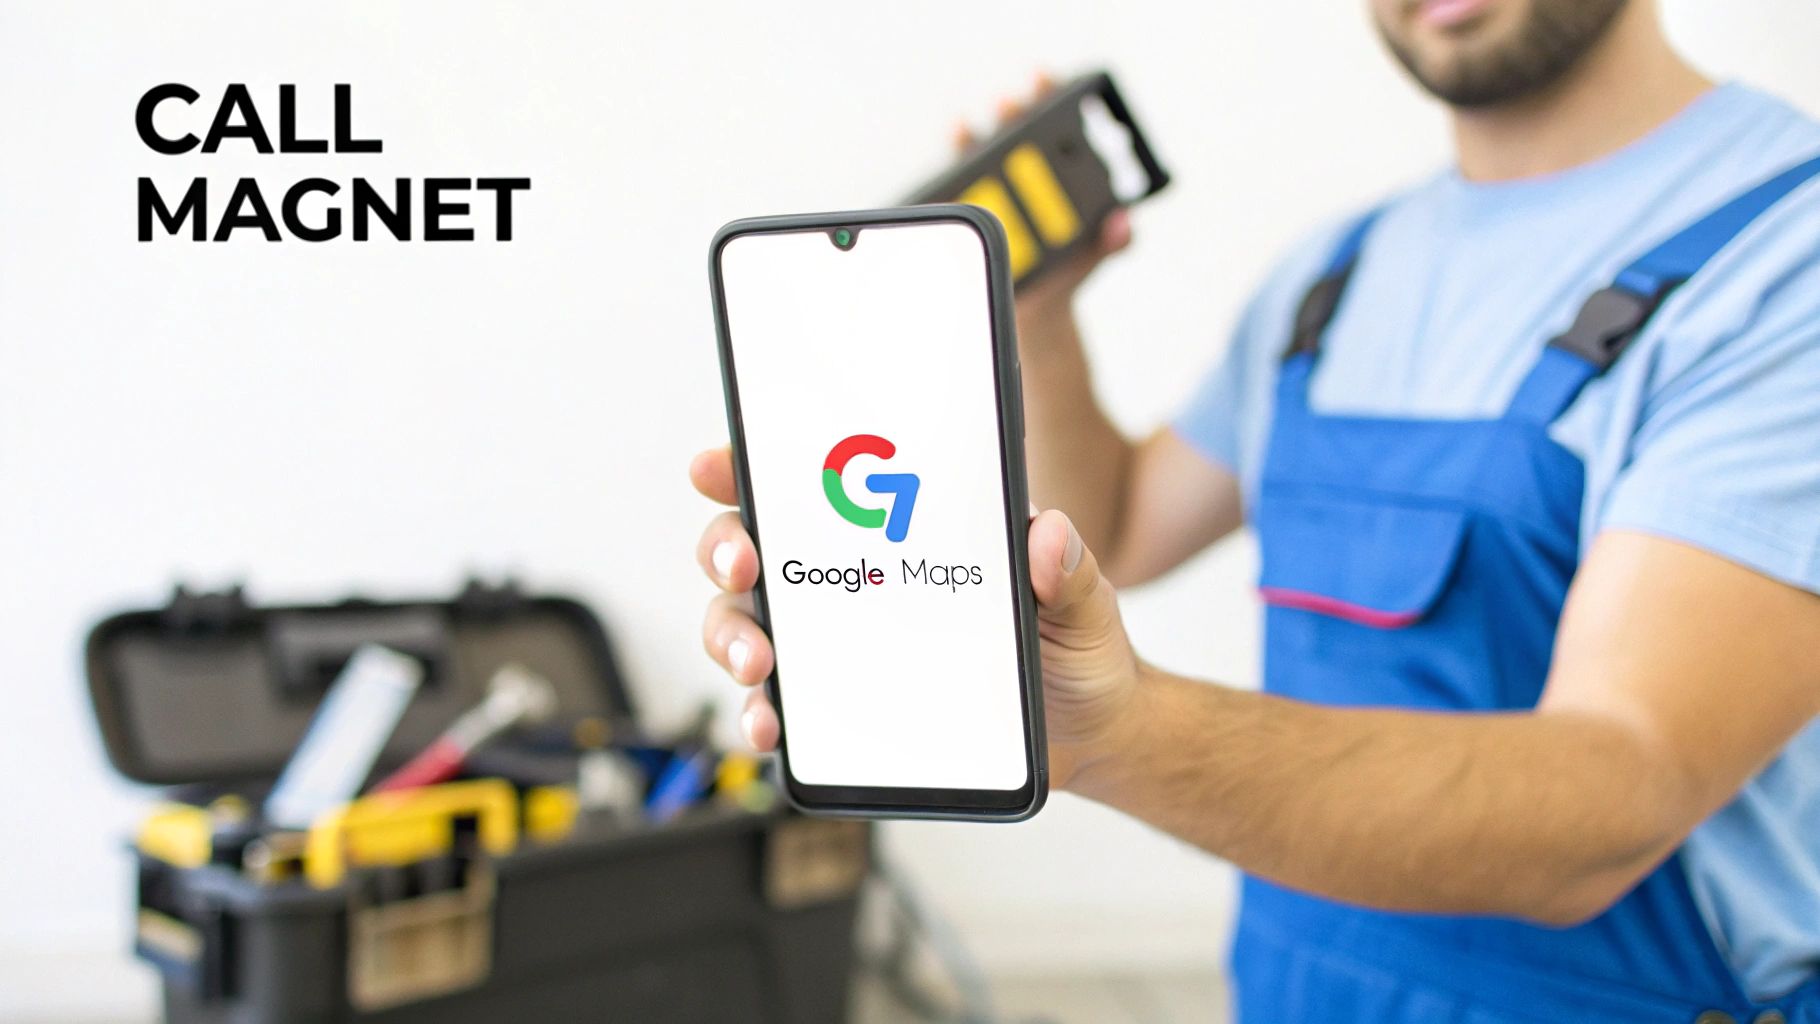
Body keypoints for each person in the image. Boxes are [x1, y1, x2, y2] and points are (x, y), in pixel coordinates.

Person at [693, 0, 1820, 1019]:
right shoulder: (1336, 271)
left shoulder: (1786, 257)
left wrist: (1117, 734)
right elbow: (1120, 524)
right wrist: (1031, 317)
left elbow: (1610, 801)